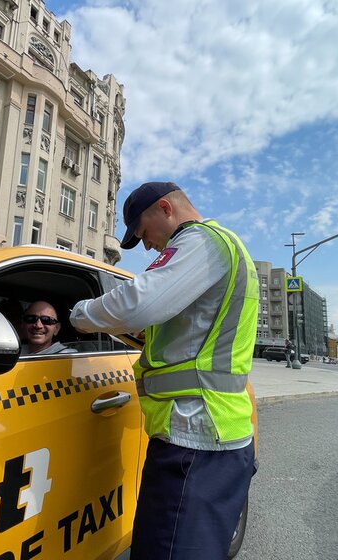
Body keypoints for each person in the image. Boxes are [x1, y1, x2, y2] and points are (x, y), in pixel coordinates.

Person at [70, 181, 257, 559]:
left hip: (194, 435)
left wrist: (78, 315)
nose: (148, 245)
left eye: (143, 233)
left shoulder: (202, 241)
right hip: (211, 434)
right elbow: (179, 332)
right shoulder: (221, 248)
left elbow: (137, 304)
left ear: (165, 209)